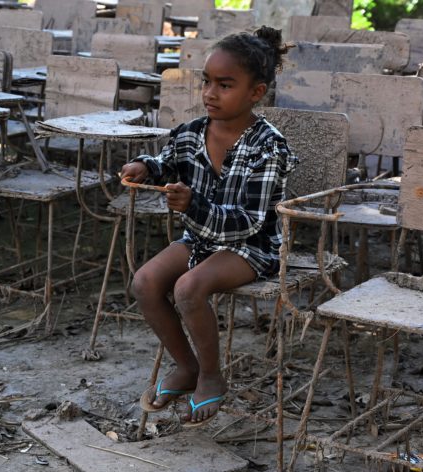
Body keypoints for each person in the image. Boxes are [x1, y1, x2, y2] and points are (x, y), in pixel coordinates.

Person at [121, 26, 297, 428]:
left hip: (253, 247)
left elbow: (250, 221)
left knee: (187, 288)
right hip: (201, 238)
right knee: (145, 282)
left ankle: (213, 375)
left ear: (256, 93)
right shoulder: (191, 132)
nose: (210, 93)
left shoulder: (268, 147)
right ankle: (187, 366)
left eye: (225, 85)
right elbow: (168, 161)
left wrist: (194, 205)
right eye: (206, 82)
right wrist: (145, 167)